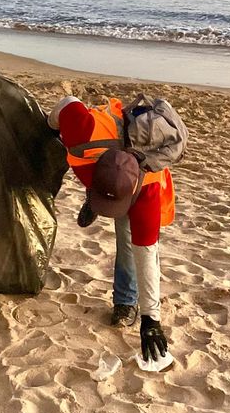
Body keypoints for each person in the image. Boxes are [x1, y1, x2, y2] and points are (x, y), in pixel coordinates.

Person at [48, 96, 175, 362]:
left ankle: (126, 301)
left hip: (135, 181)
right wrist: (51, 124)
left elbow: (147, 254)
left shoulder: (146, 189)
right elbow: (69, 101)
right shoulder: (81, 131)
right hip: (100, 157)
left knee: (129, 238)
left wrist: (151, 319)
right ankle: (95, 201)